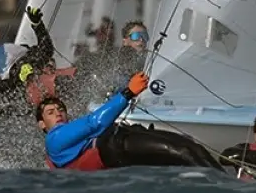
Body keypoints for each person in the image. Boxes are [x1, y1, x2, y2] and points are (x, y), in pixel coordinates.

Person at [38, 72, 225, 171]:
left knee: (191, 146)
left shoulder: (70, 131)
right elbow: (95, 123)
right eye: (50, 112)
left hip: (123, 138)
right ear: (42, 125)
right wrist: (128, 92)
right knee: (185, 152)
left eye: (60, 109)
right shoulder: (54, 139)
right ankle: (229, 188)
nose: (58, 113)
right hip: (114, 147)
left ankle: (230, 181)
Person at [0, 6, 54, 107]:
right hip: (17, 100)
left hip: (40, 83)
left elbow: (46, 51)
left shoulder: (11, 47)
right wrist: (18, 78)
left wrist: (37, 25)